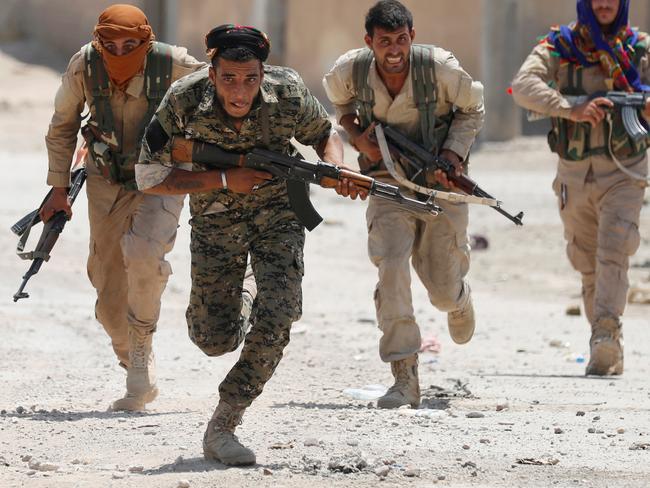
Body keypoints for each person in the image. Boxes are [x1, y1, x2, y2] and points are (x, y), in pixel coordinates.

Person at [136, 24, 357, 466]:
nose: (240, 91)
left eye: (251, 79)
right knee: (212, 340)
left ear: (263, 72)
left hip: (280, 213)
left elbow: (324, 132)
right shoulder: (183, 98)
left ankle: (224, 423)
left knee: (280, 313)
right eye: (229, 78)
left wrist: (336, 166)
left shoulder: (289, 91)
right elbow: (149, 176)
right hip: (215, 219)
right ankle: (248, 293)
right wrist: (223, 178)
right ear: (212, 72)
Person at [41, 4, 204, 410]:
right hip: (106, 180)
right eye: (109, 43)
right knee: (108, 288)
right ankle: (136, 359)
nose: (119, 51)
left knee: (145, 255)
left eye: (130, 44)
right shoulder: (86, 64)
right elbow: (62, 125)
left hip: (161, 178)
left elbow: (224, 90)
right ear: (98, 40)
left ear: (146, 41)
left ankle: (139, 360)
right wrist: (58, 187)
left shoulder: (171, 63)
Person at [322, 0, 484, 408]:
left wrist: (453, 155)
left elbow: (472, 109)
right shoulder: (350, 71)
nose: (393, 50)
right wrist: (357, 135)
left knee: (442, 290)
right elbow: (339, 106)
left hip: (438, 186)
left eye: (400, 40)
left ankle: (459, 300)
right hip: (385, 183)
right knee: (391, 267)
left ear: (412, 36)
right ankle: (404, 375)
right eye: (383, 42)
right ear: (369, 42)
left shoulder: (440, 69)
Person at [512, 0, 650, 376]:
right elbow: (523, 86)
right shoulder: (560, 45)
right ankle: (604, 340)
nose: (604, 5)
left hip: (625, 170)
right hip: (574, 171)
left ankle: (606, 332)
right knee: (586, 260)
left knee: (615, 247)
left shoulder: (639, 48)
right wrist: (569, 109)